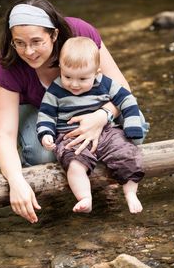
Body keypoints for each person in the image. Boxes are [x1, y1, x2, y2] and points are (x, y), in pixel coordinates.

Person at [0, 0, 149, 223]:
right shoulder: (8, 66)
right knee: (42, 154)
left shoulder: (80, 33)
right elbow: (3, 134)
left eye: (37, 41)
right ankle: (78, 176)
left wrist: (100, 118)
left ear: (54, 35)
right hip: (40, 109)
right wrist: (16, 181)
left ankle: (104, 172)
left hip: (94, 103)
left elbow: (122, 88)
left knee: (136, 125)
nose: (28, 51)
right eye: (19, 42)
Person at [37, 36, 145, 214]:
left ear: (96, 73)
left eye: (82, 79)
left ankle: (131, 192)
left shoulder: (105, 83)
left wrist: (132, 126)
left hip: (106, 131)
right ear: (61, 69)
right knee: (74, 163)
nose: (74, 84)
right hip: (72, 136)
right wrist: (46, 133)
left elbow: (127, 99)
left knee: (127, 153)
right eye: (68, 76)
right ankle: (84, 197)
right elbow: (46, 114)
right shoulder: (55, 90)